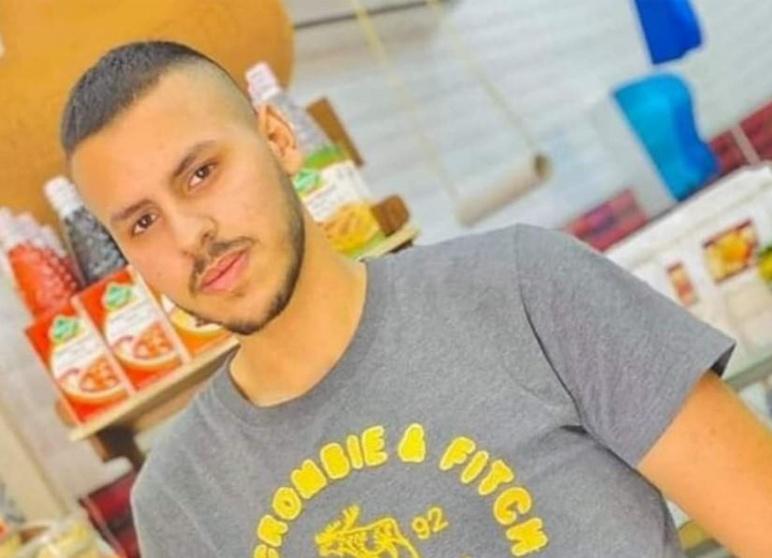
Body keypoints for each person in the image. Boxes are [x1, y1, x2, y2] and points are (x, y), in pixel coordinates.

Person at [60, 41, 772, 558]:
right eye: (142, 223)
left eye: (201, 173)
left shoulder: (525, 287)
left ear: (277, 139)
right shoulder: (180, 500)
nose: (189, 235)